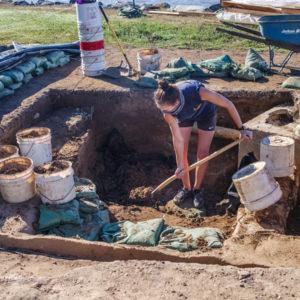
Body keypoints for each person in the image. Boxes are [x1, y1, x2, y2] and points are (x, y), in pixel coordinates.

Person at [154, 79, 252, 209]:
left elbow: (229, 104)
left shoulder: (197, 92)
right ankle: (186, 188)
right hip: (183, 117)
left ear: (177, 102)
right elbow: (177, 139)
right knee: (182, 155)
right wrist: (180, 165)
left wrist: (242, 129)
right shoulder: (168, 113)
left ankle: (197, 190)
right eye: (162, 110)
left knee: (203, 153)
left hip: (206, 113)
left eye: (167, 110)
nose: (165, 113)